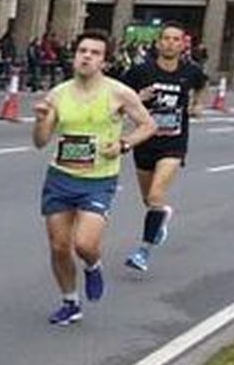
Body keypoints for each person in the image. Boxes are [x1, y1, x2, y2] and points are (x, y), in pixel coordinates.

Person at [31, 30, 155, 325]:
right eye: (82, 51)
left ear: (104, 61)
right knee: (59, 246)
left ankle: (93, 265)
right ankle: (70, 302)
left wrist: (124, 144)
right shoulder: (58, 94)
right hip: (61, 176)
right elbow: (40, 141)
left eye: (95, 53)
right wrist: (40, 121)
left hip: (98, 180)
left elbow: (148, 125)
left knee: (84, 244)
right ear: (74, 56)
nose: (86, 56)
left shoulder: (119, 93)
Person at [120, 23, 210, 272]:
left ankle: (143, 252)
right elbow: (120, 98)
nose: (170, 43)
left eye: (176, 39)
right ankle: (161, 216)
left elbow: (202, 84)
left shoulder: (190, 72)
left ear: (183, 45)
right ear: (158, 43)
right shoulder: (141, 71)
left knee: (157, 194)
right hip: (144, 140)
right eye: (166, 39)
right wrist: (139, 98)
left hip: (174, 142)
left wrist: (198, 104)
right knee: (149, 199)